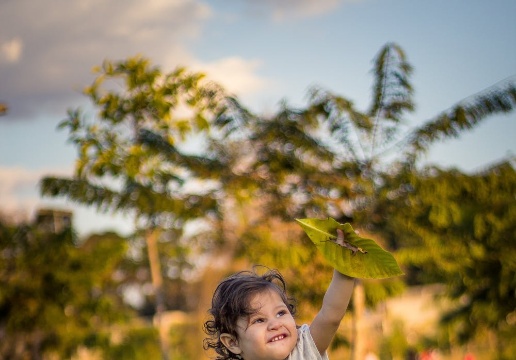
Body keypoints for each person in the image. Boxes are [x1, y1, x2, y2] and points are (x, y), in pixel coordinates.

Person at [203, 229, 356, 360]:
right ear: (233, 342)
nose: (275, 325)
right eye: (259, 320)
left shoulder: (304, 350)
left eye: (280, 313)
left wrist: (345, 269)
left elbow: (331, 316)